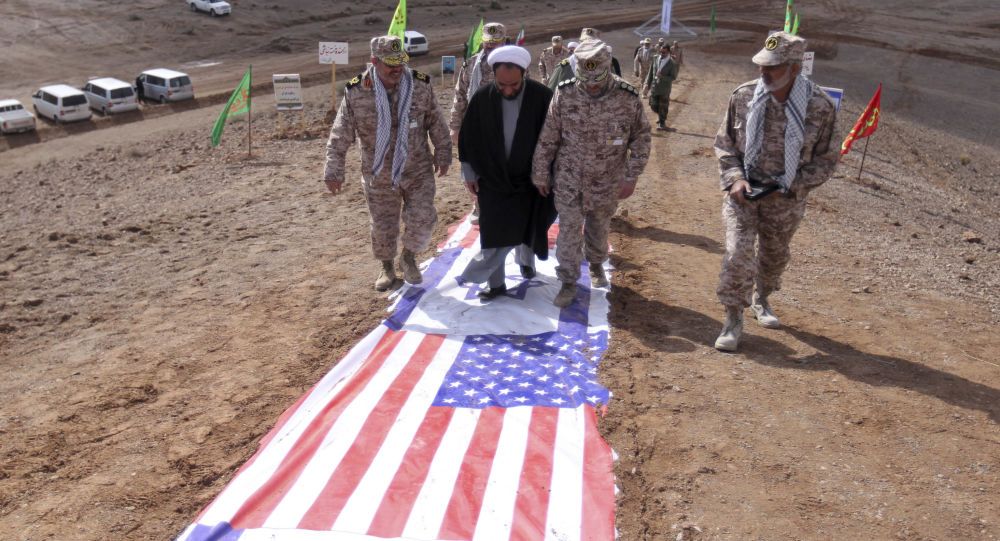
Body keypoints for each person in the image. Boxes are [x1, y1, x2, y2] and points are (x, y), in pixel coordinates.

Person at [712, 31, 839, 351]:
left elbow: (826, 159)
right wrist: (735, 179)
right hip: (743, 195)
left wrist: (790, 186)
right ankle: (733, 317)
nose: (763, 72)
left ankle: (762, 297)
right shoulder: (743, 96)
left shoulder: (819, 107)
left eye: (773, 67)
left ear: (795, 68)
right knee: (738, 253)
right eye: (762, 65)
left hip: (785, 200)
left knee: (774, 256)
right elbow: (725, 144)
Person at [323, 35, 452, 291]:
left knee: (423, 217)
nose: (397, 69)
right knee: (383, 225)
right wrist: (333, 169)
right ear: (374, 61)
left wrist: (443, 152)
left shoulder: (420, 85)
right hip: (378, 173)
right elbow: (340, 133)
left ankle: (409, 257)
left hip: (417, 168)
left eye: (400, 62)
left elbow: (436, 120)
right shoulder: (356, 91)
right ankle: (387, 267)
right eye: (390, 64)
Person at [532, 39, 651, 307]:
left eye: (597, 80)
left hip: (607, 181)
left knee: (598, 229)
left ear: (607, 68)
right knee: (568, 232)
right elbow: (549, 136)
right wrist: (540, 173)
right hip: (569, 179)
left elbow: (641, 138)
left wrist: (631, 175)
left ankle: (596, 264)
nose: (592, 86)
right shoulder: (565, 93)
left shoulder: (627, 97)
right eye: (586, 80)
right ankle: (568, 281)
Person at [458, 46, 556, 300]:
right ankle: (496, 284)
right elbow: (468, 137)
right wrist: (469, 172)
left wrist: (547, 174)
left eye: (514, 85)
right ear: (494, 76)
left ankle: (526, 261)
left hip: (531, 179)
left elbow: (557, 138)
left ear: (525, 74)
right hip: (492, 179)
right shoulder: (482, 98)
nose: (508, 90)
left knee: (528, 225)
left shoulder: (543, 96)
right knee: (494, 232)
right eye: (502, 85)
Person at [451, 22, 507, 225]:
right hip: (475, 126)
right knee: (474, 168)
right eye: (488, 42)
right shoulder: (471, 64)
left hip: (503, 126)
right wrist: (455, 126)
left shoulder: (513, 65)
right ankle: (479, 206)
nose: (490, 45)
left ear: (504, 41)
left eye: (495, 42)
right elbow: (460, 96)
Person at [642, 42, 680, 130]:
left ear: (668, 52)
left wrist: (662, 77)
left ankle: (662, 123)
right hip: (655, 87)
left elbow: (673, 77)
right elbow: (651, 72)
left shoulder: (672, 63)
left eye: (664, 52)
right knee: (653, 105)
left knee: (663, 106)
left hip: (664, 89)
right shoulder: (655, 58)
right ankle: (660, 115)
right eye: (660, 52)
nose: (661, 54)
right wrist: (647, 83)